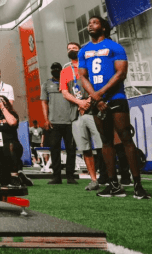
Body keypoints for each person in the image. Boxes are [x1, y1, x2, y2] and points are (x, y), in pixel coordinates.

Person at [77, 16, 151, 200]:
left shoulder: (115, 47)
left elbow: (121, 73)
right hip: (96, 101)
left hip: (116, 98)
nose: (90, 24)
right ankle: (113, 185)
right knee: (105, 141)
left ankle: (137, 185)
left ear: (103, 27)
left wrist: (99, 94)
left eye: (95, 22)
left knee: (125, 138)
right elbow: (82, 77)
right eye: (89, 23)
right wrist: (95, 97)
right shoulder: (84, 51)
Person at [60, 41, 101, 191]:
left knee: (103, 145)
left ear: (80, 50)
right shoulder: (65, 71)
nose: (71, 50)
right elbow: (64, 92)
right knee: (85, 148)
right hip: (76, 114)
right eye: (69, 49)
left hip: (93, 110)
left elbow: (97, 85)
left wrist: (88, 102)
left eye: (74, 49)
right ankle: (94, 179)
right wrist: (79, 103)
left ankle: (108, 177)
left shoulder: (89, 65)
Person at [42, 62, 77, 185]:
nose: (55, 70)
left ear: (62, 71)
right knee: (54, 150)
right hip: (53, 122)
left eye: (57, 69)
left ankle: (70, 176)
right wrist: (46, 119)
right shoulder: (46, 84)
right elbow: (44, 103)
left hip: (69, 121)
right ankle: (56, 177)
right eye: (53, 69)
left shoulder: (69, 83)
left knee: (71, 150)